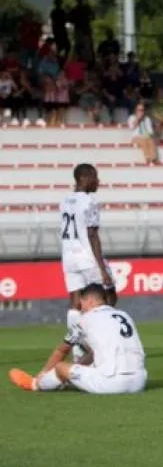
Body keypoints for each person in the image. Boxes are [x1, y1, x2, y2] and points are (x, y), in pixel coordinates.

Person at [9, 284, 146, 395]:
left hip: (113, 384)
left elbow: (62, 350)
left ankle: (35, 385)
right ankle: (65, 380)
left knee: (60, 367)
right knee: (90, 357)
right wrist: (79, 366)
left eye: (82, 303)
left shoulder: (84, 319)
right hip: (139, 381)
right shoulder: (124, 314)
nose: (81, 307)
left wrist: (42, 374)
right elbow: (93, 353)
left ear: (90, 301)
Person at [60, 163, 115, 362]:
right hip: (87, 257)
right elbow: (92, 235)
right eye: (95, 177)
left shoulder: (65, 200)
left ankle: (77, 349)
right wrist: (102, 269)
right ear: (84, 178)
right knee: (109, 294)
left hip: (68, 257)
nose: (98, 181)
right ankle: (100, 344)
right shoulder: (90, 201)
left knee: (75, 301)